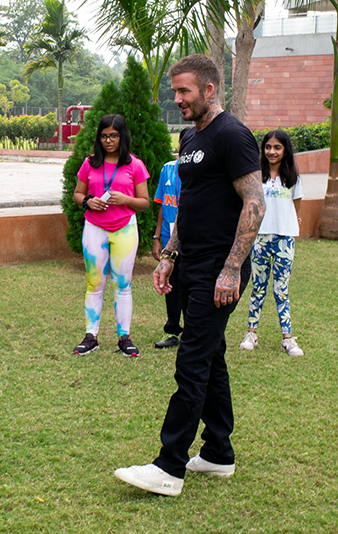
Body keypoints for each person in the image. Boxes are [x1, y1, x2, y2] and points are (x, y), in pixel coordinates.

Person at [114, 54, 266, 496]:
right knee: (211, 357)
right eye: (175, 91)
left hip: (220, 269)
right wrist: (169, 255)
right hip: (192, 263)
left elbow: (255, 203)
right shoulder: (192, 138)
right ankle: (218, 452)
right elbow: (190, 202)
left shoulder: (232, 135)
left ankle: (169, 466)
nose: (177, 98)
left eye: (184, 91)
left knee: (192, 360)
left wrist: (232, 268)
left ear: (209, 90)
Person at [71, 114, 150, 357]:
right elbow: (77, 194)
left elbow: (144, 202)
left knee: (123, 285)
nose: (108, 141)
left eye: (113, 136)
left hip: (125, 228)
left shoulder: (135, 165)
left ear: (122, 136)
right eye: (104, 136)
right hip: (94, 228)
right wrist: (88, 201)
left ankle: (124, 338)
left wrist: (126, 199)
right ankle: (91, 336)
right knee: (94, 284)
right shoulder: (90, 163)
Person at [239, 130, 304, 356]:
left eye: (277, 147)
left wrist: (290, 224)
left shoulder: (293, 178)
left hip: (285, 239)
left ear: (285, 150)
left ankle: (287, 338)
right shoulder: (256, 176)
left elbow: (296, 208)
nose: (272, 152)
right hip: (259, 238)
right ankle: (251, 333)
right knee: (258, 288)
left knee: (281, 289)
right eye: (268, 147)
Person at [152, 128, 190, 349]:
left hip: (191, 238)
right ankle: (173, 330)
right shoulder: (167, 169)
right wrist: (157, 237)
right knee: (170, 284)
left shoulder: (199, 170)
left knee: (189, 284)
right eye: (183, 141)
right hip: (168, 238)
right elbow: (161, 205)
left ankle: (191, 332)